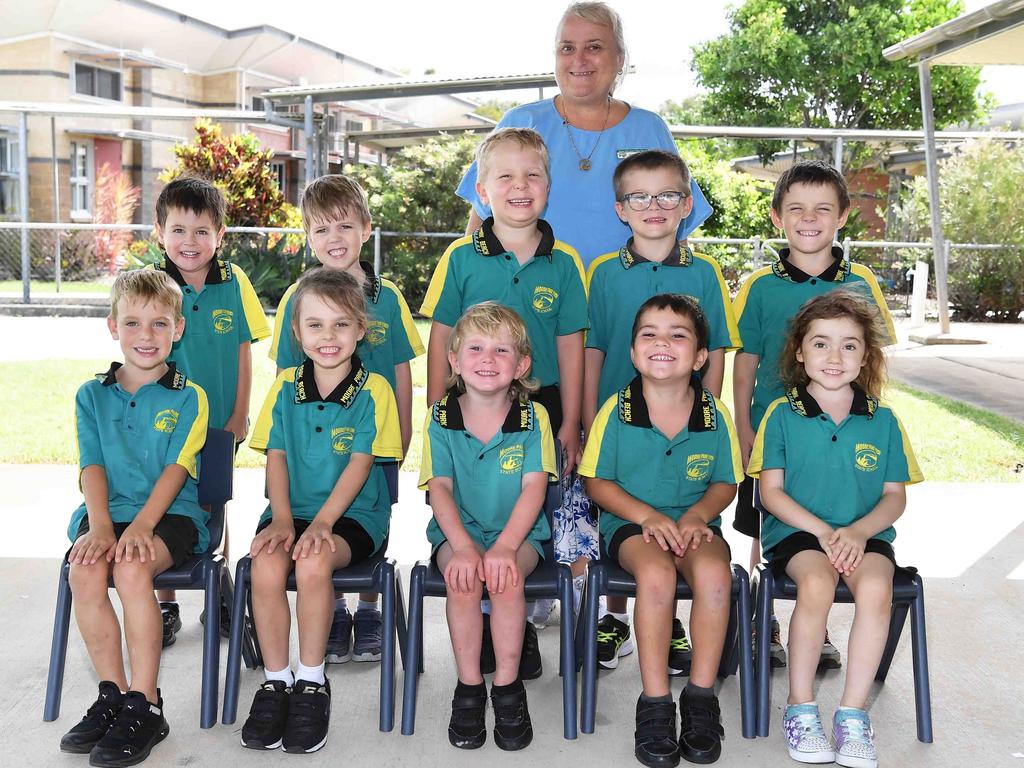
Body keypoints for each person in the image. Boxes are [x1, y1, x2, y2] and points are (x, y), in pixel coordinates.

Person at [457, 1, 715, 640]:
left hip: (634, 323)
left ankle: (623, 609)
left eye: (595, 47)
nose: (580, 59)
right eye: (568, 47)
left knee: (631, 462)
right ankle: (533, 573)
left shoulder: (650, 125)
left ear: (620, 60)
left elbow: (680, 225)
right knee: (528, 461)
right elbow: (476, 225)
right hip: (534, 332)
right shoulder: (522, 122)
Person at [422, 126, 587, 679]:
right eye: (506, 177)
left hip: (540, 411)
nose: (520, 186)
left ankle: (522, 627)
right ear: (483, 191)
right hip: (472, 408)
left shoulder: (565, 263)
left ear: (548, 187)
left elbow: (572, 348)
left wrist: (574, 423)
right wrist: (436, 410)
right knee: (473, 510)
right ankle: (484, 629)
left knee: (529, 517)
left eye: (533, 175)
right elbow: (442, 336)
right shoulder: (460, 257)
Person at [746, 289, 922, 768]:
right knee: (818, 585)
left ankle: (851, 716)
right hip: (800, 533)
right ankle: (801, 708)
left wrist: (860, 532)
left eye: (849, 345)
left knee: (875, 591)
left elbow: (895, 496)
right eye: (821, 343)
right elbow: (772, 494)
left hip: (865, 534)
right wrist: (825, 533)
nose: (834, 356)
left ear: (866, 355)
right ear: (800, 353)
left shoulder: (883, 420)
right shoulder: (780, 415)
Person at [731, 160, 896, 669]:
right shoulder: (760, 285)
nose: (809, 219)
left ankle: (819, 630)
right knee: (772, 527)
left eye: (823, 208)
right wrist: (742, 429)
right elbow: (745, 365)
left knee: (833, 520)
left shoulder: (861, 280)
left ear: (843, 215)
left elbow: (874, 360)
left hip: (839, 435)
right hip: (773, 433)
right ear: (777, 217)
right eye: (796, 208)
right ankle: (770, 622)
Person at [585, 150, 740, 673]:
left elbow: (714, 350)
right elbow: (595, 350)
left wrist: (707, 412)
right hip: (620, 425)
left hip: (685, 420)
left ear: (686, 205)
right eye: (640, 197)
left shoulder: (706, 272)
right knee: (629, 522)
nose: (654, 206)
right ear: (621, 209)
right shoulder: (603, 273)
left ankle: (671, 625)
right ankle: (615, 617)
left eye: (667, 195)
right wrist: (584, 419)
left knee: (681, 520)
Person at [241, 269, 401, 753]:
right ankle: (276, 681)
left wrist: (324, 523)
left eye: (340, 325)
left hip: (355, 516)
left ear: (360, 330)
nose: (327, 337)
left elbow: (360, 464)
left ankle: (312, 682)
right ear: (297, 331)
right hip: (291, 511)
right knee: (264, 567)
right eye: (315, 325)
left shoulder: (375, 391)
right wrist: (284, 520)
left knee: (312, 562)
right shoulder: (285, 386)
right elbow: (277, 456)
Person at [580, 295, 741, 767]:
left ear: (700, 357)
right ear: (632, 353)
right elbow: (596, 482)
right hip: (631, 526)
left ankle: (700, 697)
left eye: (678, 335)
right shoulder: (616, 410)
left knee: (715, 577)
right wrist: (647, 516)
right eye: (649, 333)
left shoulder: (715, 415)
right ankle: (655, 703)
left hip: (696, 525)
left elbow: (724, 482)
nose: (662, 343)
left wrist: (696, 515)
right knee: (656, 578)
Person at [269, 174, 423, 665]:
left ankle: (370, 609)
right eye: (320, 230)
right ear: (307, 239)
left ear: (366, 229)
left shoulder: (389, 298)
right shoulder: (299, 300)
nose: (333, 239)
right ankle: (332, 610)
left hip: (371, 438)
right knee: (316, 525)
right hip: (313, 443)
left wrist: (400, 434)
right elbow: (285, 378)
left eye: (344, 226)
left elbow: (401, 373)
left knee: (366, 519)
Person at [60, 269, 209, 767]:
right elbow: (92, 466)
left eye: (160, 324)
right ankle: (114, 695)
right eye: (133, 323)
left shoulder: (189, 396)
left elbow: (176, 469)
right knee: (83, 569)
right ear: (112, 327)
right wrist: (100, 526)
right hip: (109, 513)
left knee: (130, 568)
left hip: (172, 515)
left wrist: (143, 526)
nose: (146, 336)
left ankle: (146, 703)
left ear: (178, 330)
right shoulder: (91, 395)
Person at [419, 302, 557, 751]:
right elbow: (438, 489)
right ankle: (469, 688)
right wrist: (461, 547)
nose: (488, 359)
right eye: (476, 348)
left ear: (522, 365)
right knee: (462, 580)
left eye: (502, 350)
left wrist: (504, 548)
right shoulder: (440, 416)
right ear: (455, 361)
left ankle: (508, 688)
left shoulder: (535, 419)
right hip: (456, 533)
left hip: (519, 535)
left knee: (505, 577)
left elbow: (534, 491)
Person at [151, 176, 270, 644]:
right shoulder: (154, 285)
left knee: (214, 502)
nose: (190, 241)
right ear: (159, 233)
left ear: (220, 236)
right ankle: (165, 605)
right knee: (165, 503)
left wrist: (240, 413)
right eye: (178, 230)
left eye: (202, 231)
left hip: (219, 424)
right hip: (166, 428)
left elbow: (244, 350)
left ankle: (219, 590)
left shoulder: (234, 281)